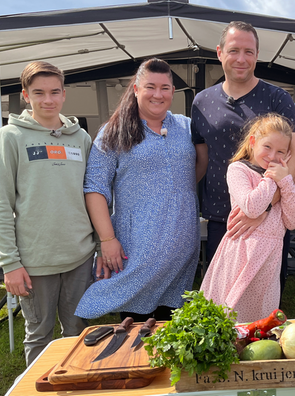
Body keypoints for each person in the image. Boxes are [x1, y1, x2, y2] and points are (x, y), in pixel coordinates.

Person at [74, 58, 202, 322]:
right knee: (135, 325)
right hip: (139, 246)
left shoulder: (186, 127)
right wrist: (107, 240)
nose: (158, 94)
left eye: (165, 88)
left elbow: (196, 170)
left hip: (182, 246)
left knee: (173, 327)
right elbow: (95, 188)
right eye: (150, 87)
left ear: (173, 91)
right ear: (135, 89)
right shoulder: (114, 131)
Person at [0, 61, 95, 365]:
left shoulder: (81, 138)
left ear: (64, 94)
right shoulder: (11, 137)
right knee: (39, 334)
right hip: (35, 260)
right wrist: (10, 263)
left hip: (80, 255)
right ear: (25, 95)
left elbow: (93, 196)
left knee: (77, 331)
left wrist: (99, 246)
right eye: (39, 93)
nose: (47, 100)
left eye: (54, 92)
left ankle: (73, 384)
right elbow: (0, 203)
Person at [191, 21, 295, 300]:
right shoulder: (201, 102)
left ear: (257, 55)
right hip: (223, 217)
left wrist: (264, 207)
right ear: (219, 53)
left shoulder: (278, 98)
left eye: (249, 52)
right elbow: (202, 160)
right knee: (223, 296)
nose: (241, 59)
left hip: (269, 219)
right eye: (234, 50)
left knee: (262, 298)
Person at [200, 114, 295, 322]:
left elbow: (292, 221)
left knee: (261, 318)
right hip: (243, 254)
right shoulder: (239, 170)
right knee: (232, 314)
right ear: (253, 142)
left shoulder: (284, 179)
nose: (273, 156)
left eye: (280, 151)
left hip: (269, 260)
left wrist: (286, 183)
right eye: (267, 147)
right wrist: (273, 179)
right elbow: (252, 207)